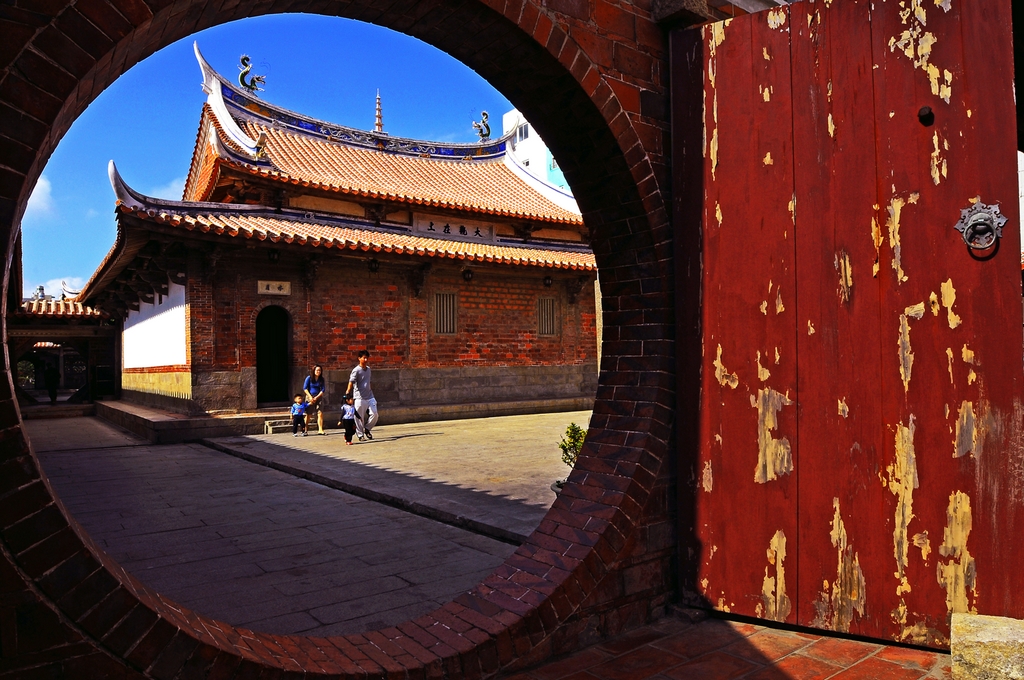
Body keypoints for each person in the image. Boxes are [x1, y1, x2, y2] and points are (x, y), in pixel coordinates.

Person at [346, 350, 377, 440]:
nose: (366, 359)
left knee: (375, 414)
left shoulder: (368, 369)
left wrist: (370, 388)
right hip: (359, 397)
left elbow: (368, 381)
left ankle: (367, 429)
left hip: (370, 395)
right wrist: (348, 392)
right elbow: (351, 382)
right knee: (359, 417)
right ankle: (360, 434)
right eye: (364, 358)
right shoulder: (356, 370)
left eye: (367, 358)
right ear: (359, 358)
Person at [303, 364, 326, 435]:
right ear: (313, 371)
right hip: (310, 397)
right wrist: (310, 397)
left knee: (320, 413)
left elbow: (323, 389)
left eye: (319, 370)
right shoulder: (309, 378)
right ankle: (305, 429)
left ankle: (320, 429)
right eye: (317, 370)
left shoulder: (321, 379)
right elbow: (305, 388)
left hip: (318, 397)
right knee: (308, 414)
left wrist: (317, 397)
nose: (318, 372)